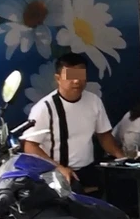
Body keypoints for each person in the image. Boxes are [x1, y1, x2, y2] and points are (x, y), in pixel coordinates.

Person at [22, 53, 124, 185]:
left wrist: (123, 158)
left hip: (88, 169)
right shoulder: (44, 107)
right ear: (58, 78)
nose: (76, 81)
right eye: (70, 76)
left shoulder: (94, 101)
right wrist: (58, 168)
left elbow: (104, 135)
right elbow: (30, 146)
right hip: (56, 173)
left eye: (80, 75)